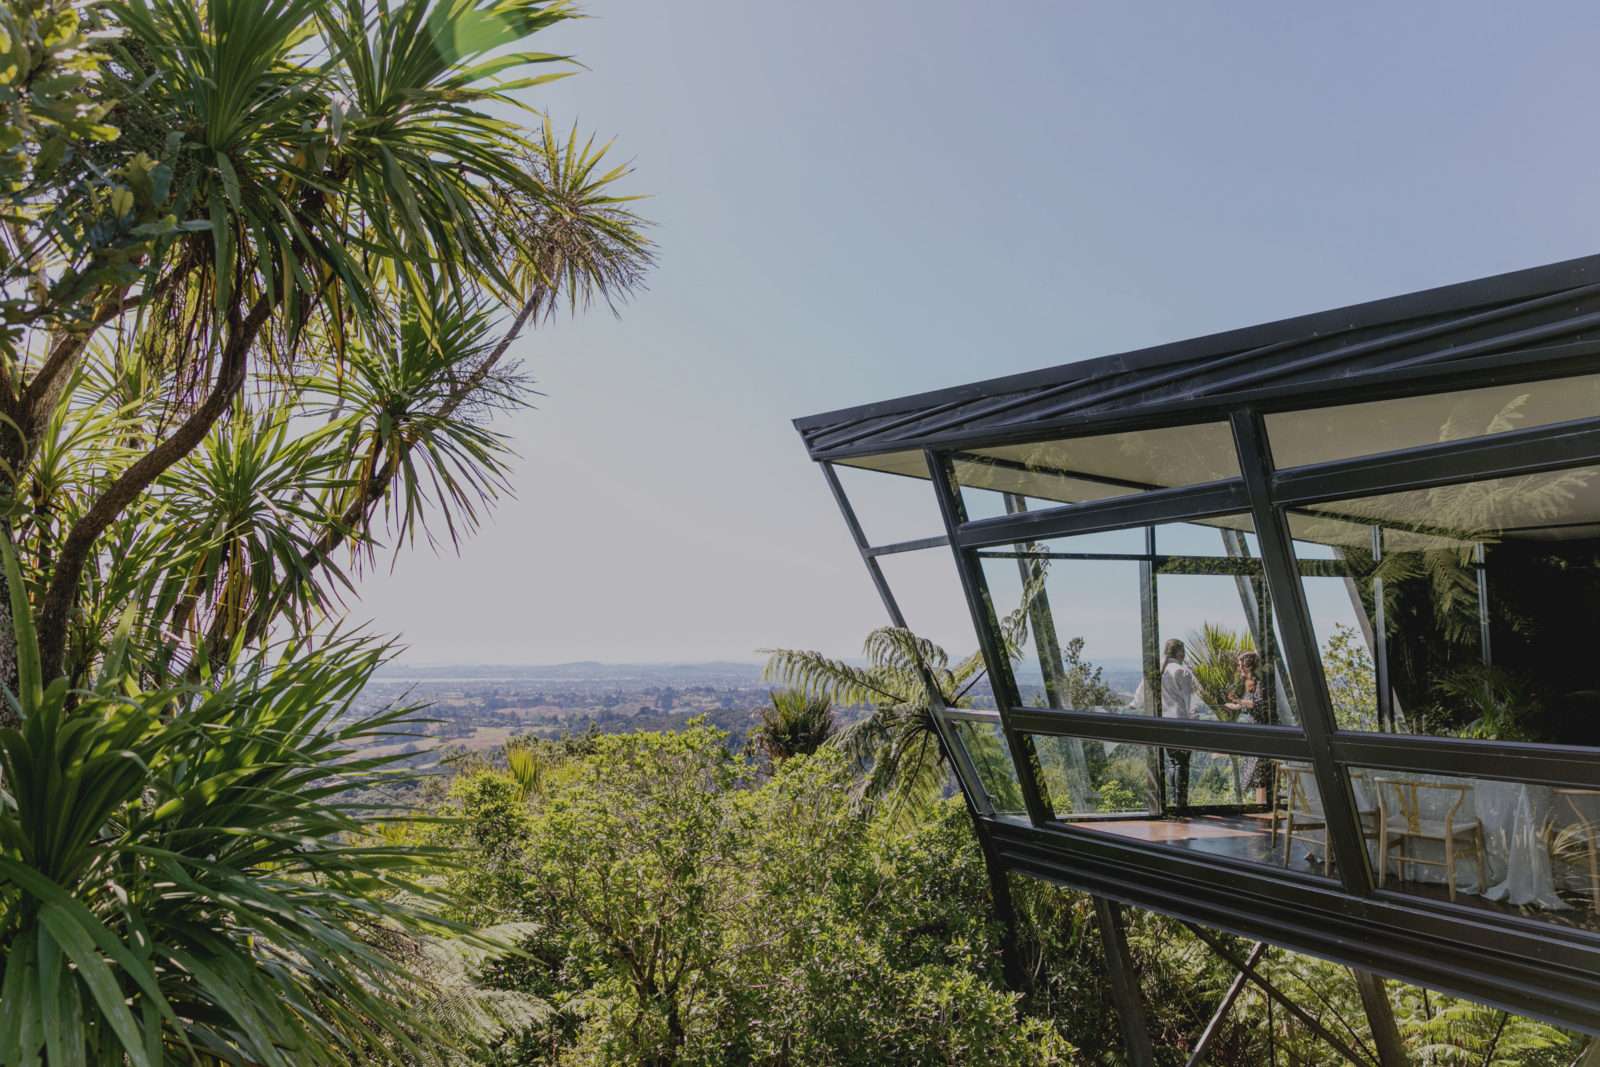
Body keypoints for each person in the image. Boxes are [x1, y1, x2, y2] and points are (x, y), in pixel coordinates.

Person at [1130, 639, 1209, 810]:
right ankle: (1181, 801)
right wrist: (1194, 721)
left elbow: (1140, 694)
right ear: (1179, 652)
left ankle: (1175, 799)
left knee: (1173, 761)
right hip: (1181, 721)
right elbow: (1189, 702)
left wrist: (1132, 706)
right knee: (1182, 763)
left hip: (1163, 722)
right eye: (1183, 651)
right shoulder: (1181, 672)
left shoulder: (1158, 670)